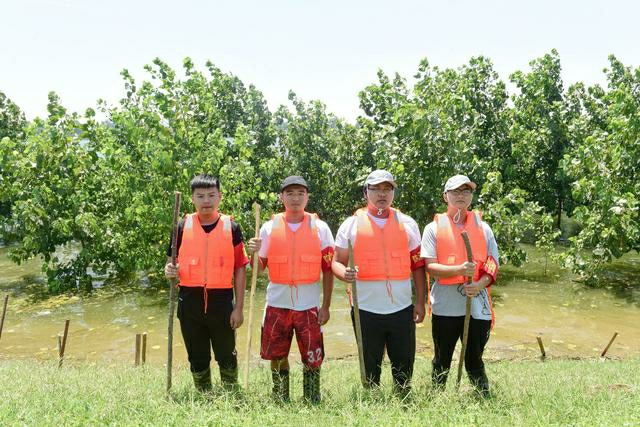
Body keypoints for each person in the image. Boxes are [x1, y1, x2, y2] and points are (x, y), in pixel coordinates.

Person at [331, 169, 426, 397]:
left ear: (393, 192)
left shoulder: (408, 224)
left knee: (404, 363)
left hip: (401, 307)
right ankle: (372, 398)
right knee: (369, 364)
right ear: (366, 192)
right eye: (376, 189)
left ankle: (403, 397)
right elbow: (336, 262)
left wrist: (420, 302)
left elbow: (418, 266)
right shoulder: (351, 225)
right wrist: (345, 274)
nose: (382, 194)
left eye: (387, 189)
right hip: (365, 308)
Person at [246, 176, 334, 403]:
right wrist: (252, 252)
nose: (295, 198)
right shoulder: (268, 228)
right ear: (281, 197)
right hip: (277, 302)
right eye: (290, 194)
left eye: (300, 193)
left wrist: (326, 306)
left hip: (309, 304)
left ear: (307, 197)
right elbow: (258, 269)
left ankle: (312, 398)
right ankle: (280, 397)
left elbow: (328, 270)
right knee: (277, 354)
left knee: (312, 356)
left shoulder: (321, 228)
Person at [164, 174, 249, 391]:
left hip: (221, 302)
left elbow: (240, 268)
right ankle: (203, 393)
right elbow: (170, 265)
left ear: (220, 196)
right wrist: (169, 271)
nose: (206, 201)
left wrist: (239, 308)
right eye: (200, 196)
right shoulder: (181, 226)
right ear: (192, 198)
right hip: (189, 301)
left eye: (211, 195)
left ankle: (230, 392)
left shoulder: (232, 227)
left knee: (226, 354)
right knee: (197, 356)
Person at [421, 174, 499, 397]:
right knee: (442, 356)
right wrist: (459, 270)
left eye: (466, 191)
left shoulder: (484, 228)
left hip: (477, 304)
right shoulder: (433, 229)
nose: (461, 195)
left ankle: (483, 395)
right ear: (445, 196)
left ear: (471, 196)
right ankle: (437, 396)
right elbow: (430, 266)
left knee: (474, 356)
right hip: (446, 306)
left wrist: (480, 284)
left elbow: (493, 264)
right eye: (455, 191)